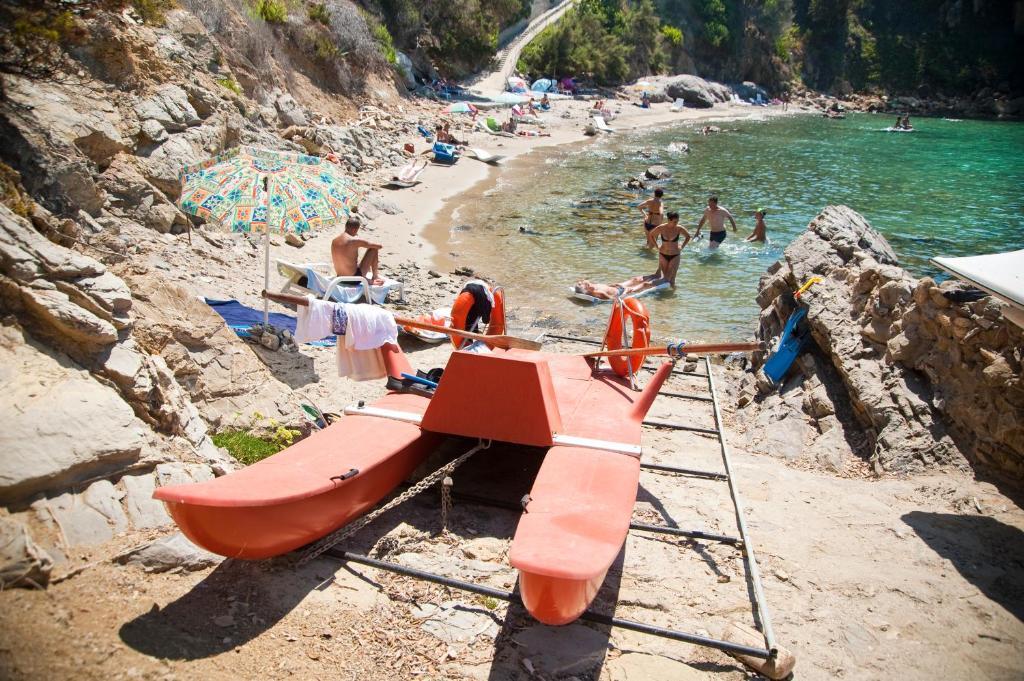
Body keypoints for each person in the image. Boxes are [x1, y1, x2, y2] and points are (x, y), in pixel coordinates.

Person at [331, 217, 383, 284]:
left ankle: (369, 278)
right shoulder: (353, 240)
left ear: (346, 226)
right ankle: (375, 277)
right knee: (373, 249)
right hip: (353, 280)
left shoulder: (334, 240)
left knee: (354, 263)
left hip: (339, 277)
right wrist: (360, 240)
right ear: (355, 229)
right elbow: (379, 246)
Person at [649, 211, 691, 287]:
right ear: (669, 220)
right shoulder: (661, 228)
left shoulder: (679, 228)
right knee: (666, 278)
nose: (676, 223)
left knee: (671, 279)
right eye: (675, 222)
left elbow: (688, 237)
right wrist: (657, 246)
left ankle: (673, 294)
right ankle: (665, 296)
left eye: (677, 221)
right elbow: (651, 235)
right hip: (663, 254)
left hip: (675, 255)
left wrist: (682, 246)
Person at [573, 274, 667, 300]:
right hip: (621, 292)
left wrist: (614, 284)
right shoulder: (597, 292)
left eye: (581, 282)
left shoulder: (593, 286)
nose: (583, 282)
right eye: (582, 284)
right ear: (585, 290)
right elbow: (612, 298)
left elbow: (607, 287)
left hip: (617, 287)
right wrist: (625, 292)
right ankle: (664, 281)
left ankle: (657, 275)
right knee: (644, 284)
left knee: (635, 279)